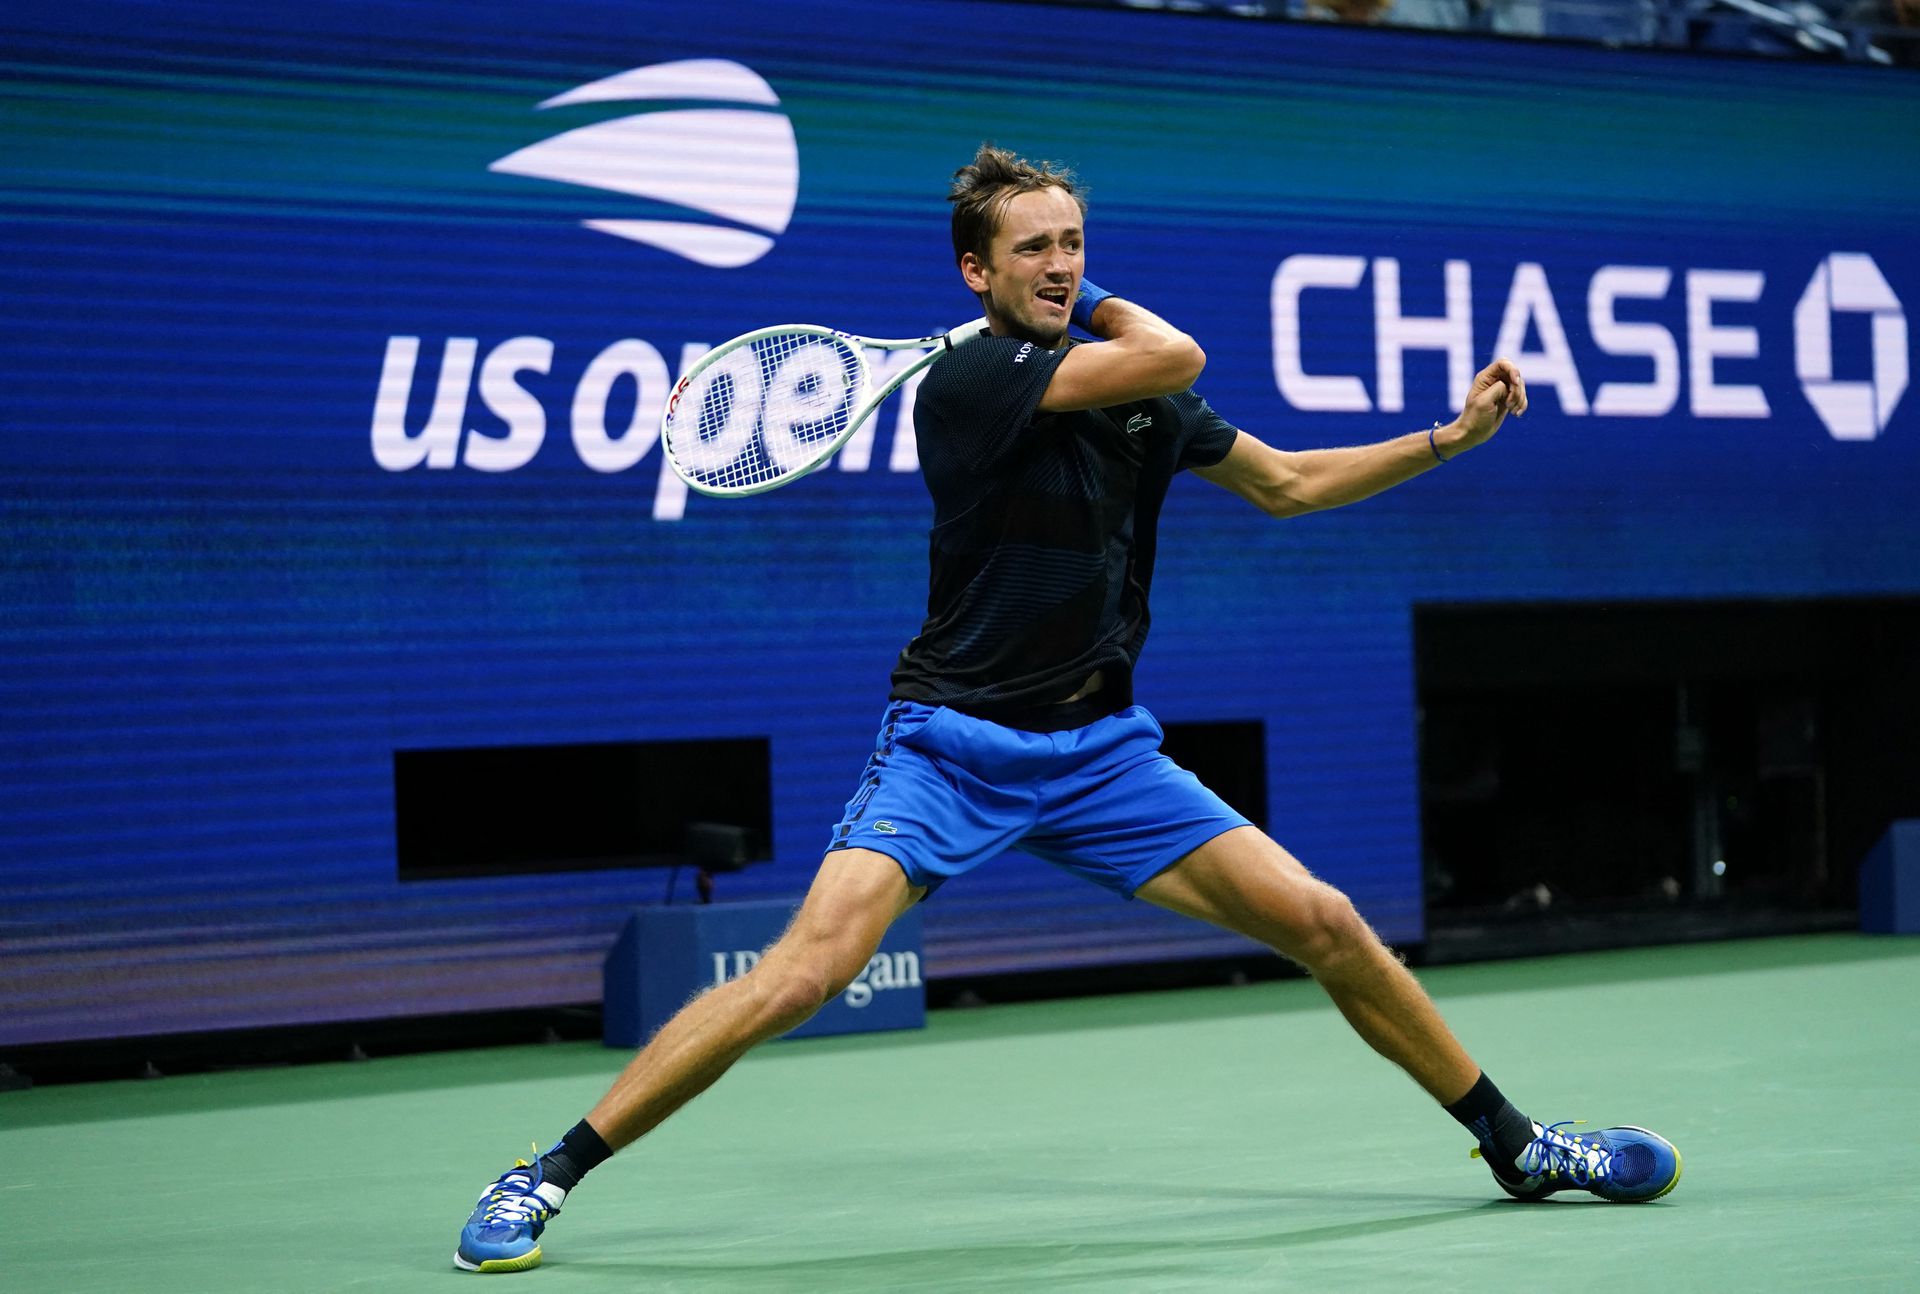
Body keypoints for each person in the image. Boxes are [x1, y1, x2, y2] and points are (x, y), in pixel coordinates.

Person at [453, 144, 1681, 1274]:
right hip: (951, 745)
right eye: (1035, 247)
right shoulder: (979, 378)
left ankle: (1520, 1147)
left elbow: (1292, 484)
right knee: (800, 977)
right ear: (975, 271)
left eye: (1076, 242)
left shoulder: (1137, 407)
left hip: (1100, 754)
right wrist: (1090, 309)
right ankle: (543, 1175)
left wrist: (1445, 441)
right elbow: (1177, 354)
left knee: (1328, 921)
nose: (1063, 262)